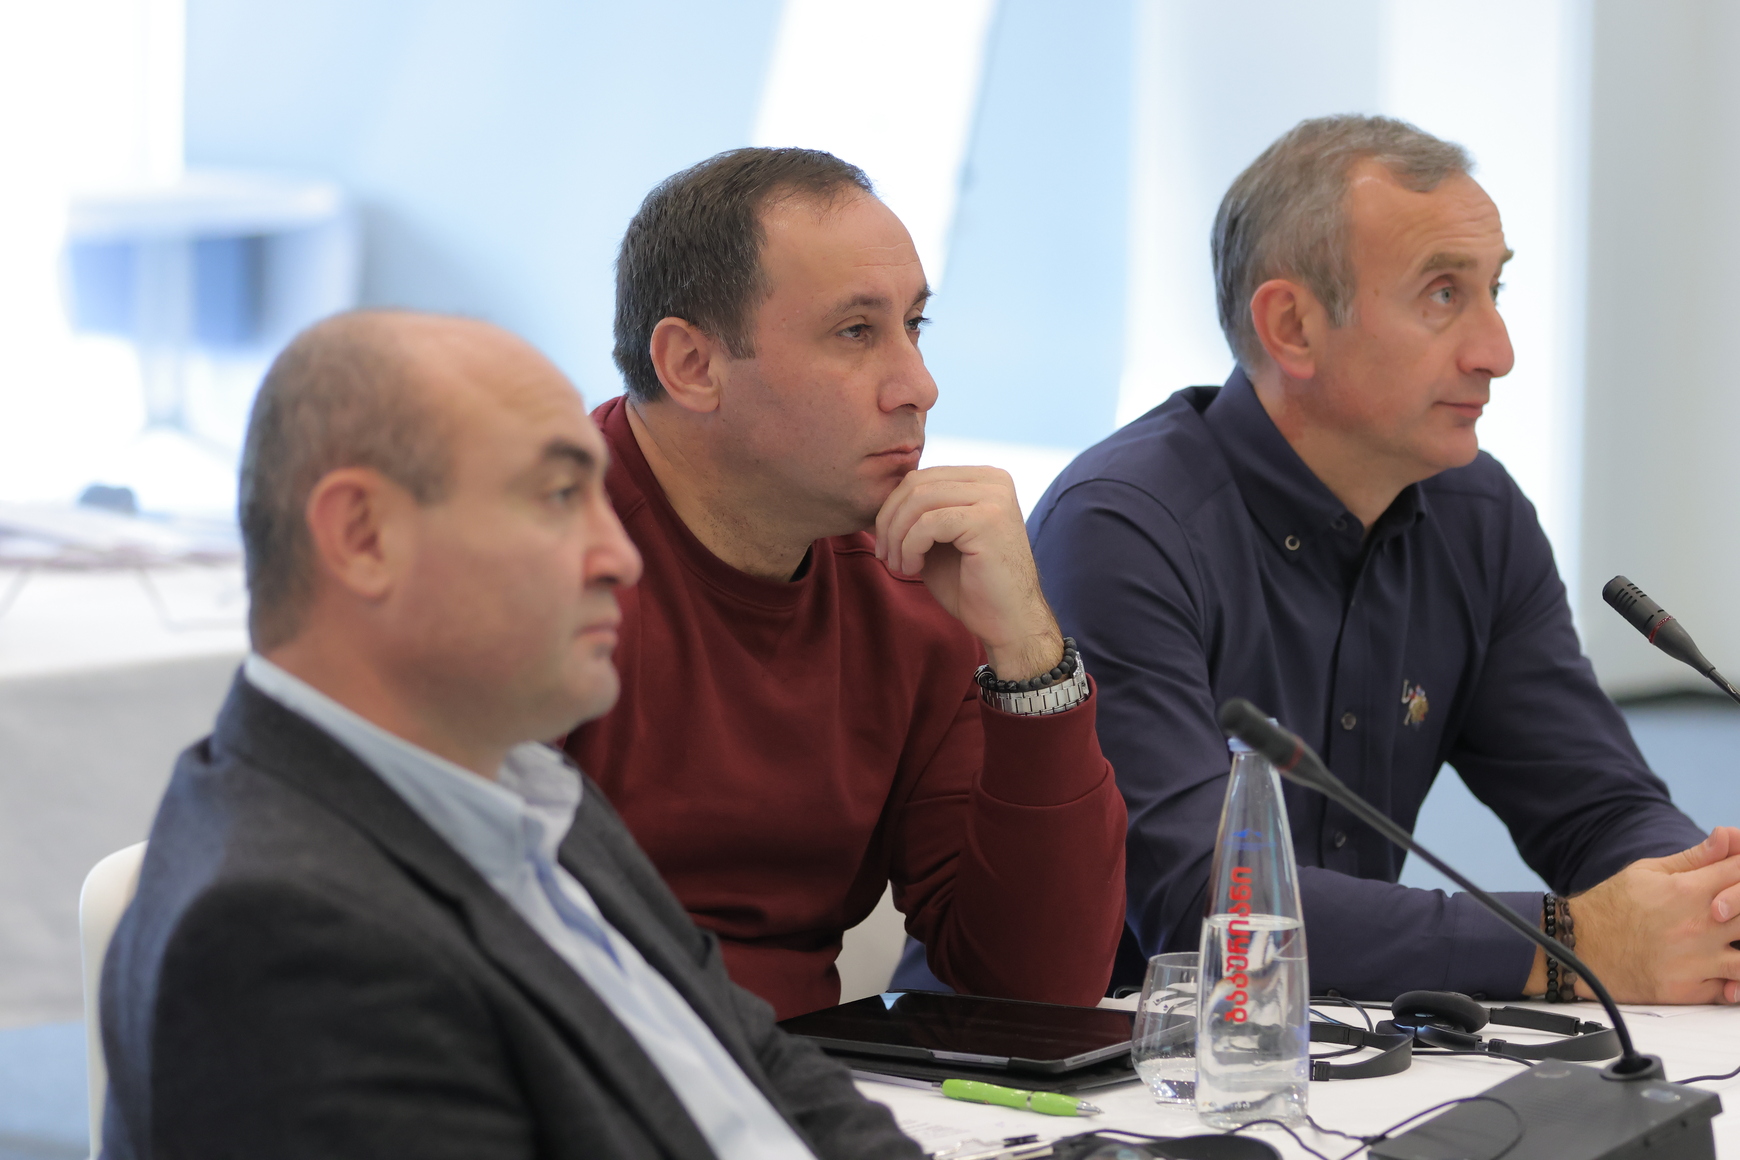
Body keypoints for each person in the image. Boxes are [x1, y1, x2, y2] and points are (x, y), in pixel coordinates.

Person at [100, 311, 923, 1159]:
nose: (620, 557)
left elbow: (755, 1062)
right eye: (560, 498)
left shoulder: (527, 789)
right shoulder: (283, 934)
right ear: (363, 537)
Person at [1029, 114, 1740, 1004]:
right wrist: (1568, 942)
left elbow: (1598, 808)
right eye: (1443, 294)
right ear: (1292, 326)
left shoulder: (1478, 516)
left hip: (1341, 1055)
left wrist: (1703, 910)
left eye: (1494, 289)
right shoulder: (1121, 529)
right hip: (1082, 1058)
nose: (1498, 353)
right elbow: (1201, 903)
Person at [563, 147, 1127, 1020]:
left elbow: (1038, 988)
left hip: (803, 1082)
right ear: (691, 365)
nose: (919, 386)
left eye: (916, 325)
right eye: (856, 332)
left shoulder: (917, 584)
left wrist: (1028, 655)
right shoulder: (533, 563)